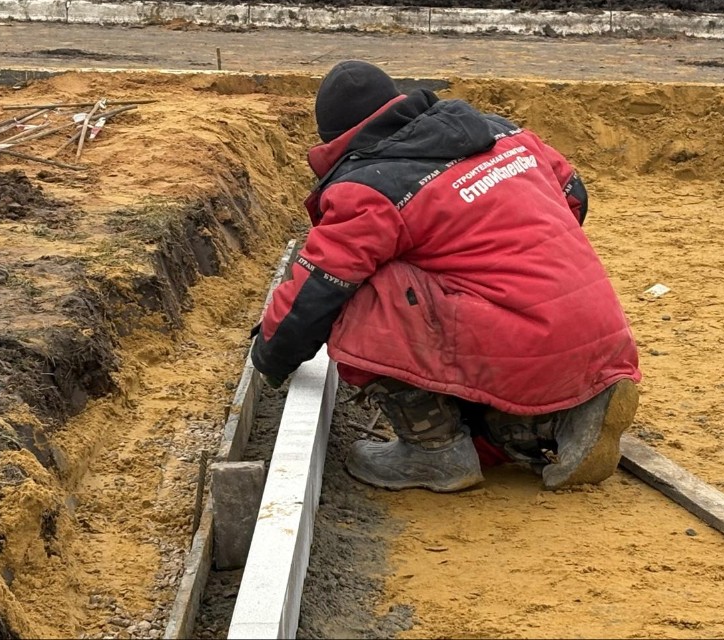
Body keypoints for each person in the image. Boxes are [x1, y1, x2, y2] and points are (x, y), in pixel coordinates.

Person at [251, 60, 640, 493]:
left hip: (525, 343)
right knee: (455, 290)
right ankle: (554, 420)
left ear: (335, 140)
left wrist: (269, 356)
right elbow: (574, 196)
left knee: (367, 290)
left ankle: (432, 451)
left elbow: (316, 292)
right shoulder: (502, 134)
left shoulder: (369, 188)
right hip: (599, 330)